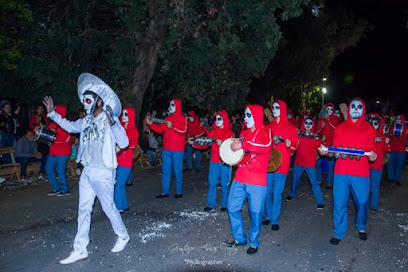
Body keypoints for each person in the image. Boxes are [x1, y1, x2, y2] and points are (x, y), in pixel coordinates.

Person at [43, 73, 130, 264]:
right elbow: (70, 126)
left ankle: (122, 235)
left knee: (109, 207)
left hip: (104, 172)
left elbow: (124, 143)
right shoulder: (86, 121)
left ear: (99, 101)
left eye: (89, 100)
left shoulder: (110, 121)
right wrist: (52, 114)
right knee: (83, 210)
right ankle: (80, 248)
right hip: (88, 171)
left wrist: (114, 123)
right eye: (84, 101)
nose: (85, 104)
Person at [320, 98, 377, 245]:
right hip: (341, 171)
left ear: (363, 109)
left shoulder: (369, 128)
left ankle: (361, 226)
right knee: (339, 202)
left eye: (359, 107)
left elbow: (372, 150)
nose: (356, 109)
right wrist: (326, 151)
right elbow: (335, 148)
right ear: (349, 109)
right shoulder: (340, 128)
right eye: (353, 106)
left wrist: (373, 155)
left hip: (361, 172)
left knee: (363, 201)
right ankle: (339, 232)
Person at [226, 105, 272, 255]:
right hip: (240, 176)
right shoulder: (244, 133)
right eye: (245, 115)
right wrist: (232, 156)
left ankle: (253, 241)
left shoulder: (266, 132)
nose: (245, 118)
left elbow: (264, 146)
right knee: (232, 206)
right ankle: (240, 237)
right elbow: (242, 154)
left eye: (248, 115)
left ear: (257, 116)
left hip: (257, 180)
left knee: (256, 213)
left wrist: (242, 144)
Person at [263, 100, 298, 230]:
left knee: (277, 193)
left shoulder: (291, 128)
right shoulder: (268, 127)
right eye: (273, 107)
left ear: (283, 109)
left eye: (277, 107)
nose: (275, 109)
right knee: (267, 191)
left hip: (282, 165)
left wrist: (290, 145)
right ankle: (268, 215)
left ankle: (274, 219)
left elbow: (294, 147)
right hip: (269, 163)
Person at [147, 99, 187, 198]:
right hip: (167, 149)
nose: (170, 106)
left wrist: (172, 126)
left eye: (172, 105)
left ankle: (179, 191)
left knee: (177, 171)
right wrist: (150, 123)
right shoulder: (168, 118)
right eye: (170, 104)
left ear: (177, 106)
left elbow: (183, 130)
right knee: (165, 171)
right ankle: (165, 192)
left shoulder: (182, 118)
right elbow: (160, 129)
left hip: (178, 150)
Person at [197, 110, 233, 212]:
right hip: (214, 161)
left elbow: (231, 146)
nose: (217, 121)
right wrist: (195, 142)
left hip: (225, 162)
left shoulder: (229, 132)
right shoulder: (213, 132)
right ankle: (211, 204)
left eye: (219, 119)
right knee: (212, 183)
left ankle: (224, 204)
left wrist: (223, 144)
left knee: (224, 184)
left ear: (224, 120)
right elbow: (205, 142)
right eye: (216, 119)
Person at [286, 117, 325, 209]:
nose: (308, 125)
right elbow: (293, 146)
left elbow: (320, 148)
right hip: (298, 162)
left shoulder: (316, 137)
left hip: (310, 164)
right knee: (295, 180)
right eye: (306, 122)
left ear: (313, 125)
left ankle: (320, 201)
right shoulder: (299, 136)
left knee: (314, 183)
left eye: (310, 123)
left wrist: (324, 148)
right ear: (303, 124)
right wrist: (289, 145)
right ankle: (292, 194)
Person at [115, 107, 139, 213]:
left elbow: (132, 144)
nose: (124, 117)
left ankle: (119, 207)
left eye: (126, 114)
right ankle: (123, 205)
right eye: (123, 114)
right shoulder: (119, 128)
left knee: (119, 184)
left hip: (125, 161)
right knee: (119, 184)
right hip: (116, 160)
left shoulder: (133, 130)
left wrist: (121, 145)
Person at [45, 104, 72, 196]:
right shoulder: (52, 124)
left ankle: (65, 189)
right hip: (53, 150)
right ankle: (56, 187)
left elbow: (65, 137)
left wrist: (51, 136)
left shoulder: (64, 123)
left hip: (63, 151)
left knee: (60, 170)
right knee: (48, 168)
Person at [369, 114, 390, 211]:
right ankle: (363, 203)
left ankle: (373, 205)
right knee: (364, 187)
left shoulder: (382, 137)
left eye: (376, 123)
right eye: (373, 122)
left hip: (377, 167)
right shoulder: (367, 134)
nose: (375, 125)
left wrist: (386, 142)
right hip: (365, 166)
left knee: (375, 187)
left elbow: (386, 150)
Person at [315, 103, 339, 189]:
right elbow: (316, 131)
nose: (328, 111)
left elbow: (338, 130)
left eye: (330, 109)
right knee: (318, 162)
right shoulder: (321, 120)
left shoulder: (336, 119)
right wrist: (321, 128)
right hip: (322, 144)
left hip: (332, 144)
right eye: (327, 109)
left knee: (331, 163)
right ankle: (319, 179)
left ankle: (330, 182)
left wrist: (329, 120)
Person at [29, 104, 49, 178]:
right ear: (36, 110)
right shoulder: (34, 118)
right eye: (39, 109)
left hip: (45, 138)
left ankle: (44, 171)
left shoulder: (44, 117)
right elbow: (31, 127)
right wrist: (35, 122)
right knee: (42, 154)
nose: (40, 110)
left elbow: (47, 126)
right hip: (38, 139)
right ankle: (42, 171)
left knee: (46, 154)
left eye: (42, 109)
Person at [387, 114, 407, 185]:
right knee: (391, 164)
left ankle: (396, 179)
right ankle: (392, 178)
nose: (398, 120)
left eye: (399, 119)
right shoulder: (392, 127)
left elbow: (404, 138)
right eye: (397, 119)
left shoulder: (405, 128)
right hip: (393, 149)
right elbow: (389, 137)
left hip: (400, 150)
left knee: (398, 165)